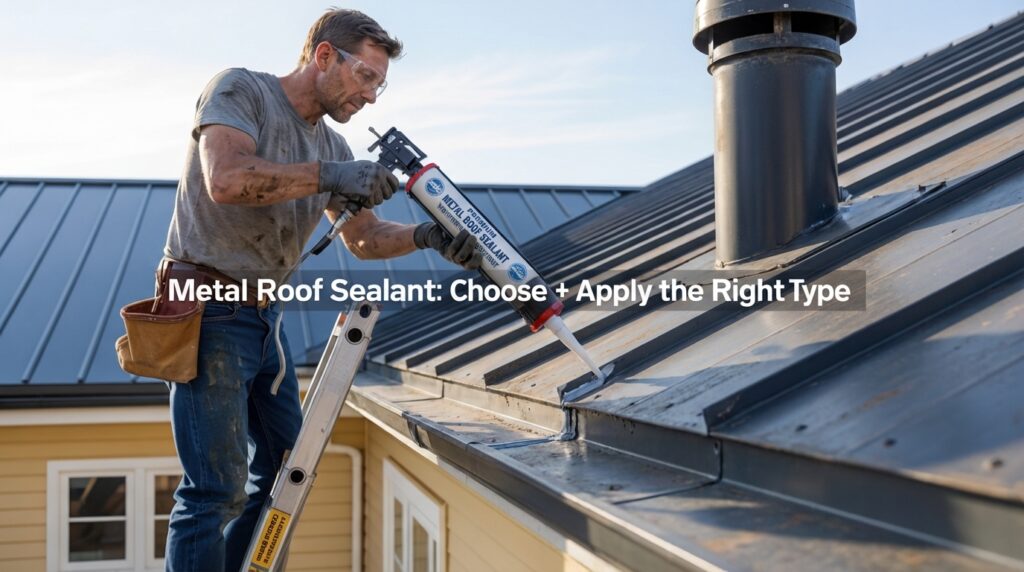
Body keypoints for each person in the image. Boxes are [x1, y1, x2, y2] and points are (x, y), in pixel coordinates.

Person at [160, 9, 481, 571]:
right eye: (366, 77)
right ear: (325, 56)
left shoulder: (331, 146)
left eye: (381, 84)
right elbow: (228, 179)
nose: (373, 97)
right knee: (215, 488)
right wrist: (333, 177)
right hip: (208, 309)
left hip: (264, 318)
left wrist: (427, 235)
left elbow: (365, 239)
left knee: (289, 466)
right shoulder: (243, 91)